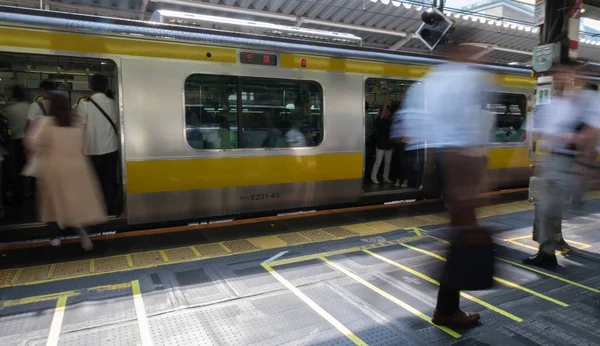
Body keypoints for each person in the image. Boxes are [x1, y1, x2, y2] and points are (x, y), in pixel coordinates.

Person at [395, 42, 494, 327]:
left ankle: (447, 306)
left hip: (440, 161)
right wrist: (478, 178)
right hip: (461, 161)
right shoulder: (469, 77)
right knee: (464, 237)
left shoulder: (429, 80)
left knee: (459, 235)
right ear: (462, 49)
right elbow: (477, 128)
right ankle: (447, 310)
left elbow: (407, 129)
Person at [523, 67, 600, 267]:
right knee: (544, 208)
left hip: (571, 161)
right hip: (553, 161)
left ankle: (547, 252)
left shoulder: (588, 99)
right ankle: (546, 252)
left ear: (574, 76)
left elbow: (591, 134)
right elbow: (541, 133)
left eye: (565, 74)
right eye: (556, 76)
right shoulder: (553, 104)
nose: (559, 79)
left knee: (549, 207)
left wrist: (581, 165)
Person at [25, 92, 106, 250]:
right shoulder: (78, 122)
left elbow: (31, 143)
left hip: (53, 167)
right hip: (78, 167)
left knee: (53, 202)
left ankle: (55, 237)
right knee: (76, 202)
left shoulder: (44, 122)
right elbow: (84, 145)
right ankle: (83, 233)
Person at [77, 74, 119, 215]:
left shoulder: (83, 104)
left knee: (94, 182)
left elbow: (80, 129)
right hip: (111, 148)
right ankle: (111, 208)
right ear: (106, 87)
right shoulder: (113, 103)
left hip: (91, 149)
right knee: (110, 180)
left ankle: (95, 210)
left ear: (90, 86)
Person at [3, 85, 29, 205]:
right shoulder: (29, 106)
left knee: (17, 169)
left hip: (16, 141)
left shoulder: (9, 108)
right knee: (31, 167)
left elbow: (4, 122)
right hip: (30, 141)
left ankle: (19, 195)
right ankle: (31, 191)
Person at [371, 89, 394, 184]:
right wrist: (387, 95)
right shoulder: (380, 119)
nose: (387, 112)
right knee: (378, 162)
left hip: (388, 144)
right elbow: (384, 108)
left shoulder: (389, 120)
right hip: (381, 143)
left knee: (387, 163)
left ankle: (385, 177)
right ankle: (373, 177)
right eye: (386, 110)